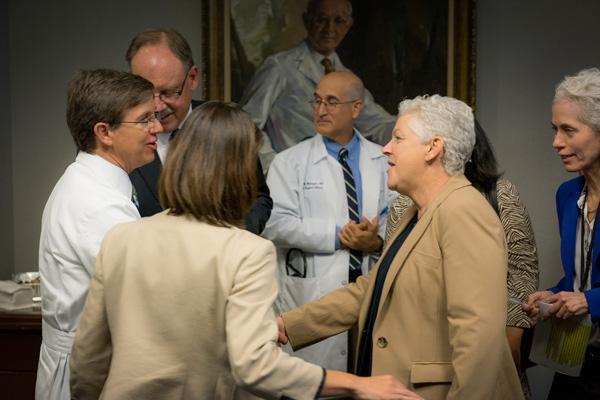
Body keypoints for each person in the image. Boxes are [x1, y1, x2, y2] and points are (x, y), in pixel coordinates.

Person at [69, 101, 421, 400]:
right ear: (240, 172)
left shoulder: (122, 239)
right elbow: (256, 367)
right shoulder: (246, 251)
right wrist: (355, 385)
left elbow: (88, 359)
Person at [277, 95, 524, 399]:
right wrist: (288, 325)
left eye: (398, 139)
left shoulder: (463, 211)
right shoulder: (414, 211)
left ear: (433, 148)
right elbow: (372, 290)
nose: (386, 148)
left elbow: (478, 334)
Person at [384, 120, 539, 396]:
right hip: (423, 348)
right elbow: (392, 277)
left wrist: (513, 331)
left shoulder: (499, 194)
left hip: (488, 340)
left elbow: (521, 269)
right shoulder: (402, 205)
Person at [36, 69, 161, 400]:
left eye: (156, 117)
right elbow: (146, 297)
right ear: (104, 132)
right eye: (145, 119)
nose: (157, 128)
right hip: (90, 372)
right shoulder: (98, 205)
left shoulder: (95, 185)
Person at [262, 71, 394, 371]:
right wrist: (338, 236)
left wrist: (375, 241)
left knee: (368, 376)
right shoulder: (289, 162)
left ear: (356, 108)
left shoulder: (384, 160)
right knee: (316, 382)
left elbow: (396, 217)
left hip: (369, 291)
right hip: (312, 295)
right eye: (317, 101)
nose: (320, 110)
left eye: (332, 102)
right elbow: (275, 223)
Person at [126, 27, 272, 233]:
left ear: (193, 77)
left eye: (168, 92)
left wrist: (234, 238)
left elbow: (258, 198)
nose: (157, 106)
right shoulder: (116, 135)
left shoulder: (228, 125)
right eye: (145, 92)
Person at [525, 68, 600, 400]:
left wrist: (588, 301)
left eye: (568, 130)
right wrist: (555, 295)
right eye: (555, 130)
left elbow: (589, 295)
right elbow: (581, 280)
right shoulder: (567, 196)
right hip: (577, 359)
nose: (556, 142)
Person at [241, 0, 395, 153]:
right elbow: (247, 125)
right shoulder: (279, 67)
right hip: (292, 172)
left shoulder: (347, 77)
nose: (329, 29)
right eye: (321, 20)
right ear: (306, 21)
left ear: (348, 26)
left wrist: (414, 124)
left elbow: (378, 124)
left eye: (338, 21)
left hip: (335, 173)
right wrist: (272, 165)